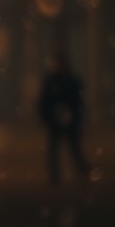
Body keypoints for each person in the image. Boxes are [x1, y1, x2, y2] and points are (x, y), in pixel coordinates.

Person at [37, 51, 91, 185]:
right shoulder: (52, 81)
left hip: (70, 120)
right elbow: (44, 101)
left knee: (74, 148)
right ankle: (54, 176)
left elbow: (79, 102)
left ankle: (84, 171)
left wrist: (75, 117)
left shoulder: (72, 80)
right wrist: (47, 117)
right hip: (55, 121)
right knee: (53, 150)